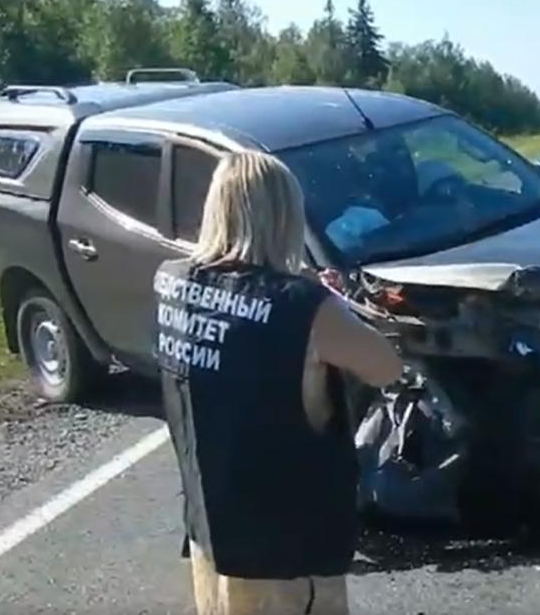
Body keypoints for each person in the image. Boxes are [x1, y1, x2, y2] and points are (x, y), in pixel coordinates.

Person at [153, 150, 404, 615]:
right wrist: (331, 300)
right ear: (284, 215)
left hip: (213, 531)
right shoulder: (304, 306)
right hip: (286, 552)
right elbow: (385, 367)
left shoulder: (170, 282)